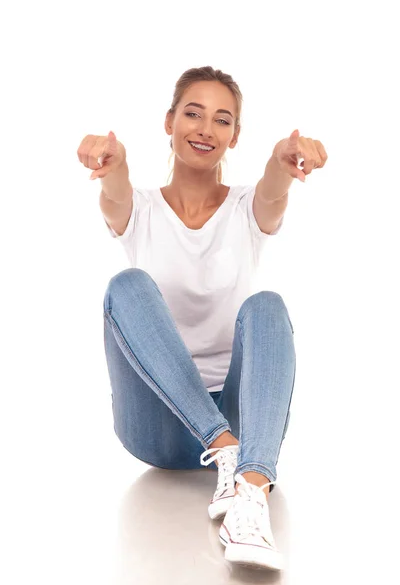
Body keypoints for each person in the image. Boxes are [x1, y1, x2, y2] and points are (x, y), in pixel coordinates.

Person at [77, 65, 327, 571]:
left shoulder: (244, 209)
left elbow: (274, 191)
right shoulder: (141, 209)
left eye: (222, 119)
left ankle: (251, 488)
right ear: (168, 122)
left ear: (235, 136)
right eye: (192, 113)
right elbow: (116, 192)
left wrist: (283, 160)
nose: (205, 129)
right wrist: (113, 162)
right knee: (125, 288)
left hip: (238, 412)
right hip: (156, 425)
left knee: (268, 305)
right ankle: (223, 446)